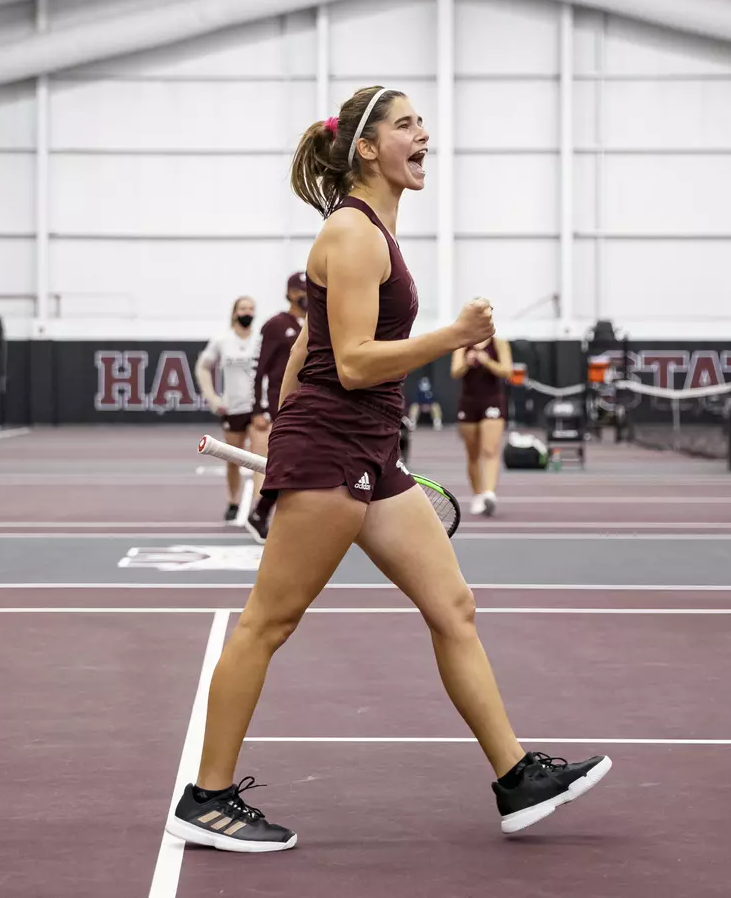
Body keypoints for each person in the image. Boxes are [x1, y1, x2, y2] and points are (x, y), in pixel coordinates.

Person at [165, 86, 611, 852]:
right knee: (266, 624)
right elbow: (362, 363)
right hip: (338, 448)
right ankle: (205, 800)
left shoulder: (370, 233)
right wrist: (453, 335)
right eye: (407, 124)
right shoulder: (354, 233)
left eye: (421, 124)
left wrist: (285, 421)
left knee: (453, 606)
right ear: (367, 148)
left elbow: (311, 349)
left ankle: (516, 778)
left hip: (367, 449)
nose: (423, 135)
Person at [244, 273, 308, 543]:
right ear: (290, 293)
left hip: (308, 403)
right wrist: (258, 409)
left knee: (303, 462)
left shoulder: (316, 324)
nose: (307, 296)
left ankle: (271, 511)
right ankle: (262, 510)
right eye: (302, 291)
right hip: (280, 404)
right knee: (286, 461)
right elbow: (259, 370)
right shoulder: (276, 325)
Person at [196, 297, 262, 523]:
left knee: (259, 457)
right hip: (232, 407)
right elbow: (203, 367)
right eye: (243, 308)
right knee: (233, 458)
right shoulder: (222, 341)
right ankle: (233, 500)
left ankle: (258, 505)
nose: (247, 312)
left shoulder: (260, 340)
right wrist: (213, 398)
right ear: (235, 313)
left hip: (256, 408)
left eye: (251, 309)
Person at [452, 336, 512, 516]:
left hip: (492, 400)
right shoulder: (462, 343)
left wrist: (487, 362)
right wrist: (467, 362)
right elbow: (455, 372)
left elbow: (507, 371)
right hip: (468, 403)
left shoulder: (499, 343)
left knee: (490, 450)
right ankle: (477, 494)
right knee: (473, 454)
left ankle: (489, 493)